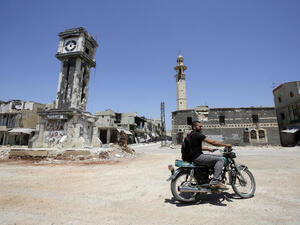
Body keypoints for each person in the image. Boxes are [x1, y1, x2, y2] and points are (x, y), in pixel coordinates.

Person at [189, 121, 232, 189]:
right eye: (199, 126)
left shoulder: (190, 134)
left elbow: (194, 147)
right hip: (197, 157)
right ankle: (216, 181)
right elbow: (213, 142)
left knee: (213, 160)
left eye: (201, 126)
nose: (201, 128)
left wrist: (208, 149)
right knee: (220, 159)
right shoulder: (198, 135)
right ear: (194, 127)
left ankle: (208, 180)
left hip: (193, 156)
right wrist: (226, 145)